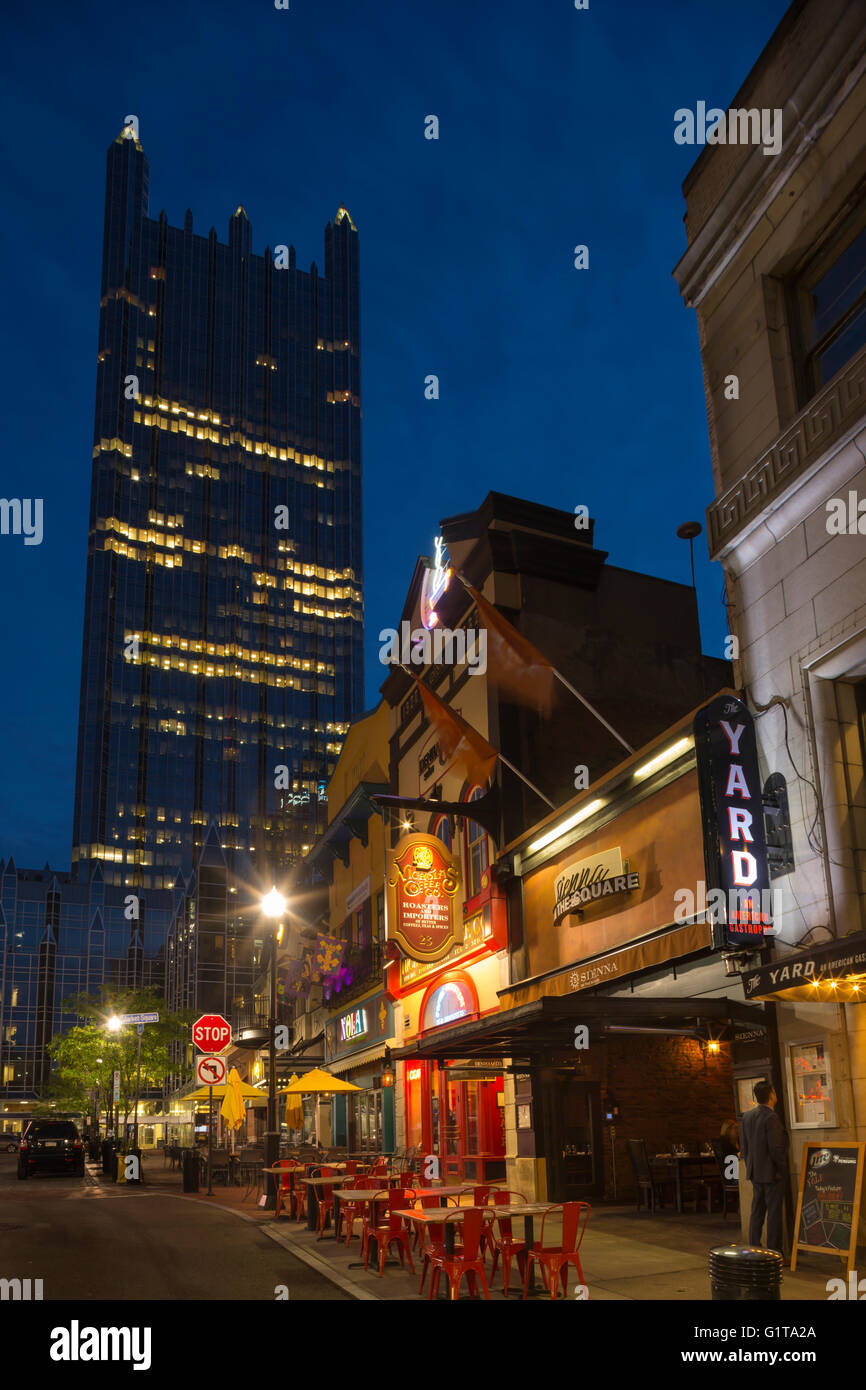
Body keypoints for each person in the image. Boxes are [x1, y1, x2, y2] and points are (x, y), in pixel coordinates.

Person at [739, 1082, 789, 1255]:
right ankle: (774, 1252)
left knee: (757, 1212)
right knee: (774, 1214)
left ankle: (754, 1247)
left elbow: (745, 1146)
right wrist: (782, 1168)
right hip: (772, 1173)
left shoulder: (747, 1116)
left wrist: (750, 1167)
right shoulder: (771, 1117)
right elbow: (776, 1148)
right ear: (772, 1095)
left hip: (755, 1172)